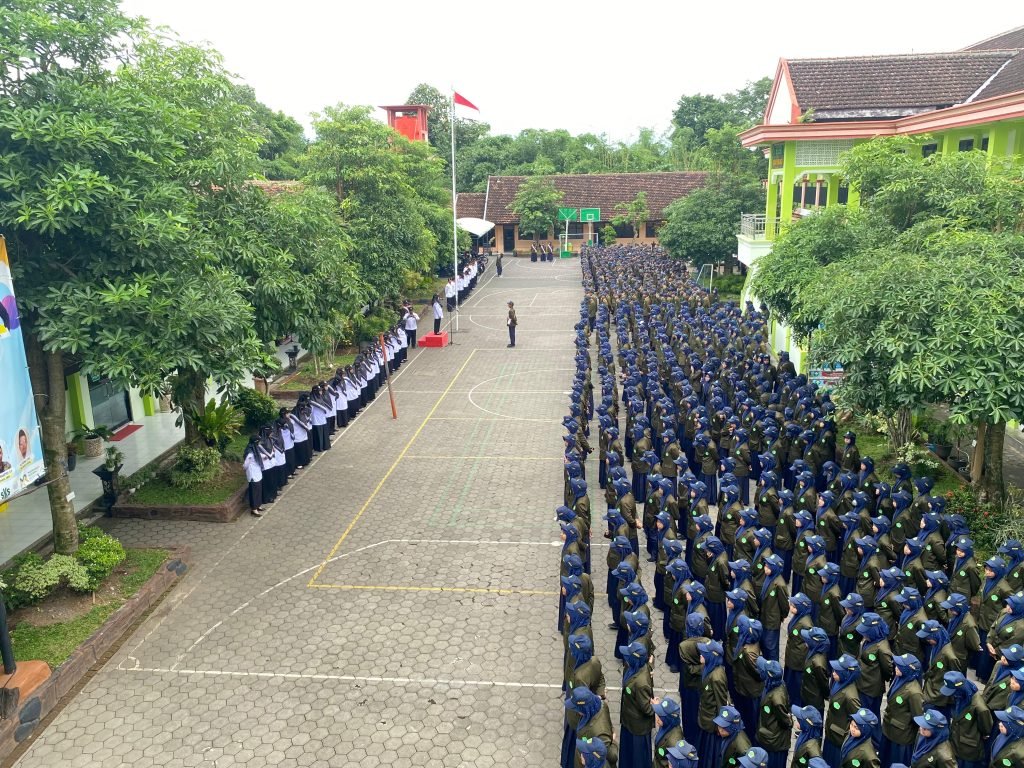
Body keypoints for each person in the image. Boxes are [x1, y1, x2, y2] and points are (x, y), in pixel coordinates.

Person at [619, 640, 654, 768]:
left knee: (637, 760)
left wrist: (655, 706)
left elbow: (647, 709)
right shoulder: (633, 668)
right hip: (629, 721)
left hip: (637, 728)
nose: (625, 658)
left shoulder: (641, 682)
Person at [242, 436, 264, 516]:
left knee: (258, 490)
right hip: (253, 474)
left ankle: (258, 505)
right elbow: (245, 464)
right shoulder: (250, 452)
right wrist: (245, 469)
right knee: (254, 492)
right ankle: (254, 509)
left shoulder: (255, 448)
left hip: (257, 472)